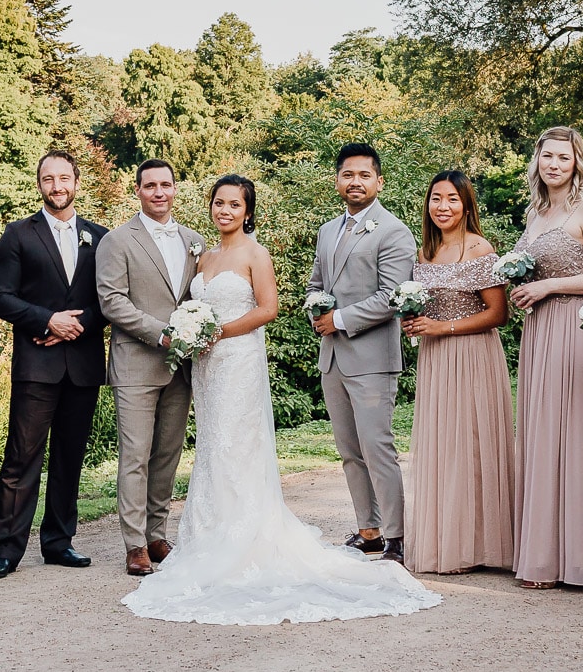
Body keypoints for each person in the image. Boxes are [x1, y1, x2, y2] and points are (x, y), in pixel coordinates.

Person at [123, 176, 441, 624]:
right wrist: (193, 333)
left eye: (235, 204)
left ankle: (254, 535)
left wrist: (217, 332)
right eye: (219, 203)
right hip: (207, 368)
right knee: (214, 449)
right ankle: (210, 534)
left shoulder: (256, 254)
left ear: (248, 211)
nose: (225, 210)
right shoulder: (205, 256)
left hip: (237, 361)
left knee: (240, 446)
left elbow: (267, 310)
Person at [0, 149, 109, 579]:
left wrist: (75, 326)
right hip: (37, 364)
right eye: (49, 179)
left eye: (64, 178)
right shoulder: (19, 233)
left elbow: (107, 300)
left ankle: (59, 541)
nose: (57, 186)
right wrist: (47, 320)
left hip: (84, 364)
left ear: (76, 182)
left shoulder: (100, 236)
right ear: (39, 184)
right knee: (21, 458)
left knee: (69, 458)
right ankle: (5, 549)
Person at [508, 126, 583, 590]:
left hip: (576, 329)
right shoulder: (536, 214)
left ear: (577, 163)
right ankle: (543, 555)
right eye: (547, 156)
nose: (554, 164)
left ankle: (582, 558)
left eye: (564, 157)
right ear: (536, 161)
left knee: (574, 434)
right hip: (539, 332)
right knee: (542, 434)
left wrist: (549, 286)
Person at [308, 143, 418, 563]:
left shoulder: (394, 231)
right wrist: (316, 309)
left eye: (364, 175)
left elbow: (393, 296)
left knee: (377, 447)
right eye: (347, 175)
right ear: (338, 179)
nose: (355, 182)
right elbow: (316, 283)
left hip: (372, 358)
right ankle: (368, 529)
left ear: (378, 181)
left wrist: (338, 319)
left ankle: (397, 536)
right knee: (349, 449)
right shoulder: (327, 230)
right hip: (332, 357)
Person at [401, 169, 514, 574]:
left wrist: (442, 326)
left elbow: (498, 314)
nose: (442, 207)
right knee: (442, 445)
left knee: (470, 444)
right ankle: (447, 539)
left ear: (466, 205)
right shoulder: (424, 253)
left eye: (451, 199)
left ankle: (480, 545)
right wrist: (413, 321)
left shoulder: (480, 249)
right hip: (434, 358)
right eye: (435, 198)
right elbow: (424, 308)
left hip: (471, 355)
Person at [95, 159, 204, 576]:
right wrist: (161, 332)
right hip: (137, 361)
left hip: (182, 367)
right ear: (137, 190)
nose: (159, 192)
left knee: (168, 455)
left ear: (176, 189)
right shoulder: (117, 241)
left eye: (166, 185)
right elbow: (112, 301)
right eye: (150, 185)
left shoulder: (195, 240)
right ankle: (134, 544)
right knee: (136, 456)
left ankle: (157, 534)